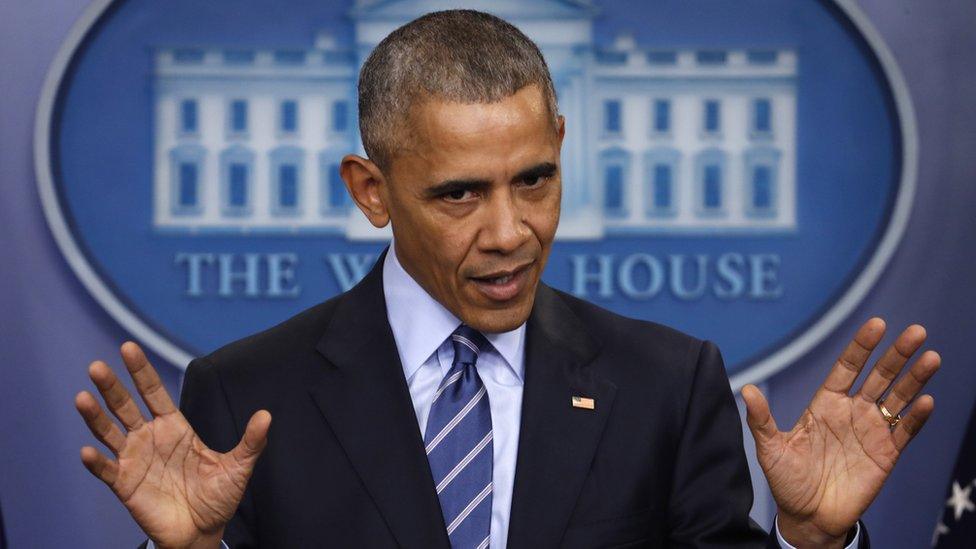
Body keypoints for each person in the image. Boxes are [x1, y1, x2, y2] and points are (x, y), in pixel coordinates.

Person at [73, 10, 940, 548]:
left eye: (535, 179)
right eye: (459, 194)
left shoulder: (666, 384)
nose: (510, 231)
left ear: (561, 144)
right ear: (370, 191)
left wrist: (812, 542)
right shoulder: (244, 392)